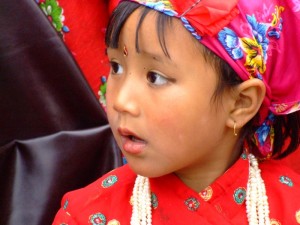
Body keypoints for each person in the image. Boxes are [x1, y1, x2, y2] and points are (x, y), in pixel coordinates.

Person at [52, 0, 300, 224]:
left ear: (240, 104)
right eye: (116, 67)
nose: (122, 101)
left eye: (154, 77)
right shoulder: (83, 215)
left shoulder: (292, 208)